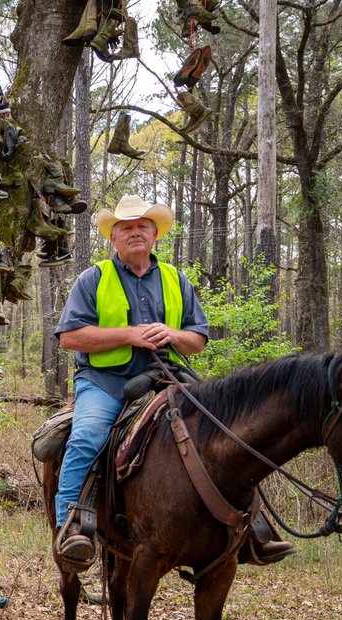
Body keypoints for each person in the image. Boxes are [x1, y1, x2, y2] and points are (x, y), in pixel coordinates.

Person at [51, 195, 209, 573]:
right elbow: (70, 337)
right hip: (106, 382)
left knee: (224, 426)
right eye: (126, 228)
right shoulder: (94, 279)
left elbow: (198, 340)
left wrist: (172, 334)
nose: (135, 233)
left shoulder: (176, 279)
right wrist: (131, 335)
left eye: (142, 226)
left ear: (155, 235)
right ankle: (71, 526)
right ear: (114, 238)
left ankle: (246, 527)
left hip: (167, 379)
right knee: (88, 434)